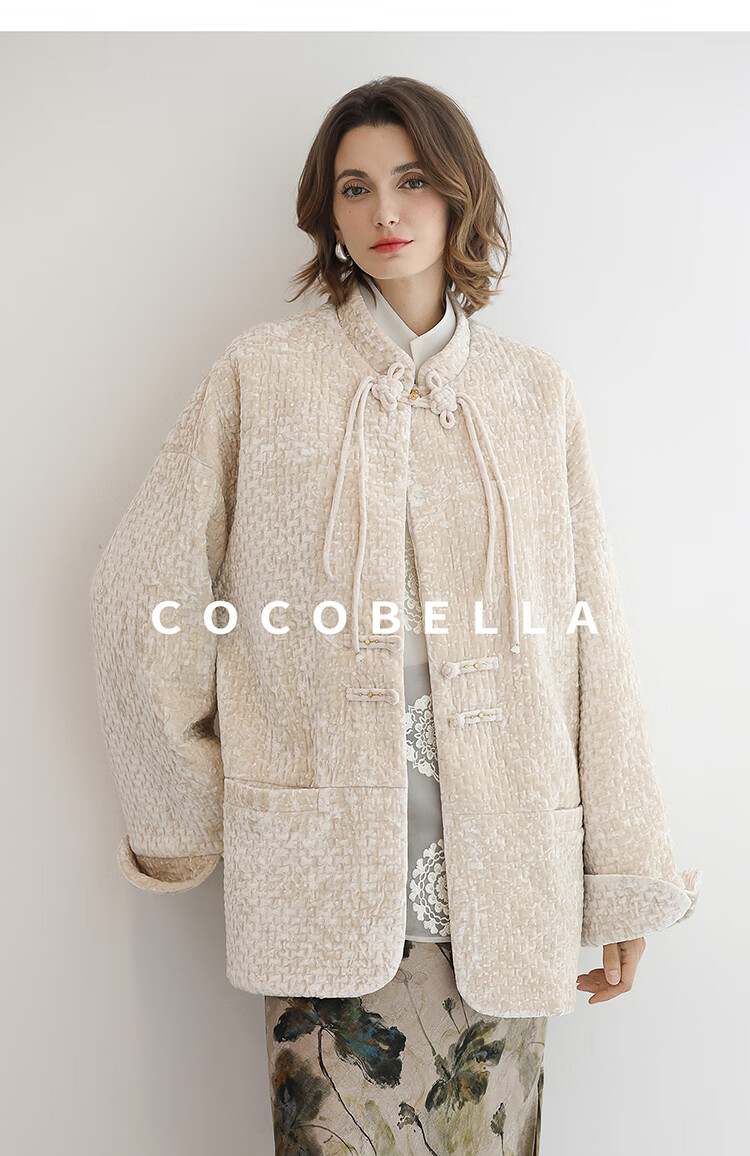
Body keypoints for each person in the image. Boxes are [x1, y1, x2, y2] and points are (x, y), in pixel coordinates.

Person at [90, 77, 700, 1154]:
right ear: (327, 212)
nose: (385, 211)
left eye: (412, 180)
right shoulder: (263, 374)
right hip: (320, 880)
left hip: (510, 879)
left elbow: (592, 642)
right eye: (355, 187)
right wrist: (195, 803)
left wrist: (623, 881)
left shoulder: (533, 393)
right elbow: (142, 594)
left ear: (460, 195)